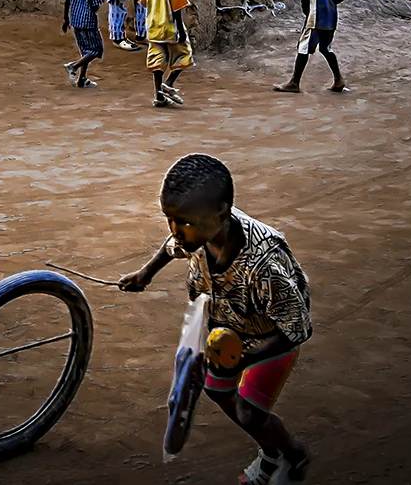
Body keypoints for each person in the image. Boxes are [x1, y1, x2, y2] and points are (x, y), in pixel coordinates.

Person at [117, 153, 313, 485]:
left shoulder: (264, 264)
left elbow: (296, 328)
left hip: (271, 336)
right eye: (170, 219)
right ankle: (269, 449)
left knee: (250, 410)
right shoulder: (198, 230)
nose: (175, 231)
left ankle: (293, 457)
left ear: (221, 214)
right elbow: (174, 246)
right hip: (229, 330)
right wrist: (145, 273)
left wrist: (247, 358)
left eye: (184, 223)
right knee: (216, 390)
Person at [274, 0, 348, 94]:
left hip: (316, 16)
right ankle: (339, 79)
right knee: (325, 48)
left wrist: (307, 12)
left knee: (303, 47)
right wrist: (329, 5)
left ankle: (294, 82)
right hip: (331, 17)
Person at [143, 0, 194, 108]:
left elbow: (144, 1)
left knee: (156, 59)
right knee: (184, 53)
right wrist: (180, 27)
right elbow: (177, 3)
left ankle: (159, 96)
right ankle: (169, 83)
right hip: (170, 24)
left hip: (153, 25)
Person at [61, 0, 105, 88]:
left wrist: (66, 19)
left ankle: (82, 79)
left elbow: (67, 1)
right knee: (97, 50)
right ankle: (73, 66)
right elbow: (95, 7)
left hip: (75, 23)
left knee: (85, 52)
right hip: (89, 24)